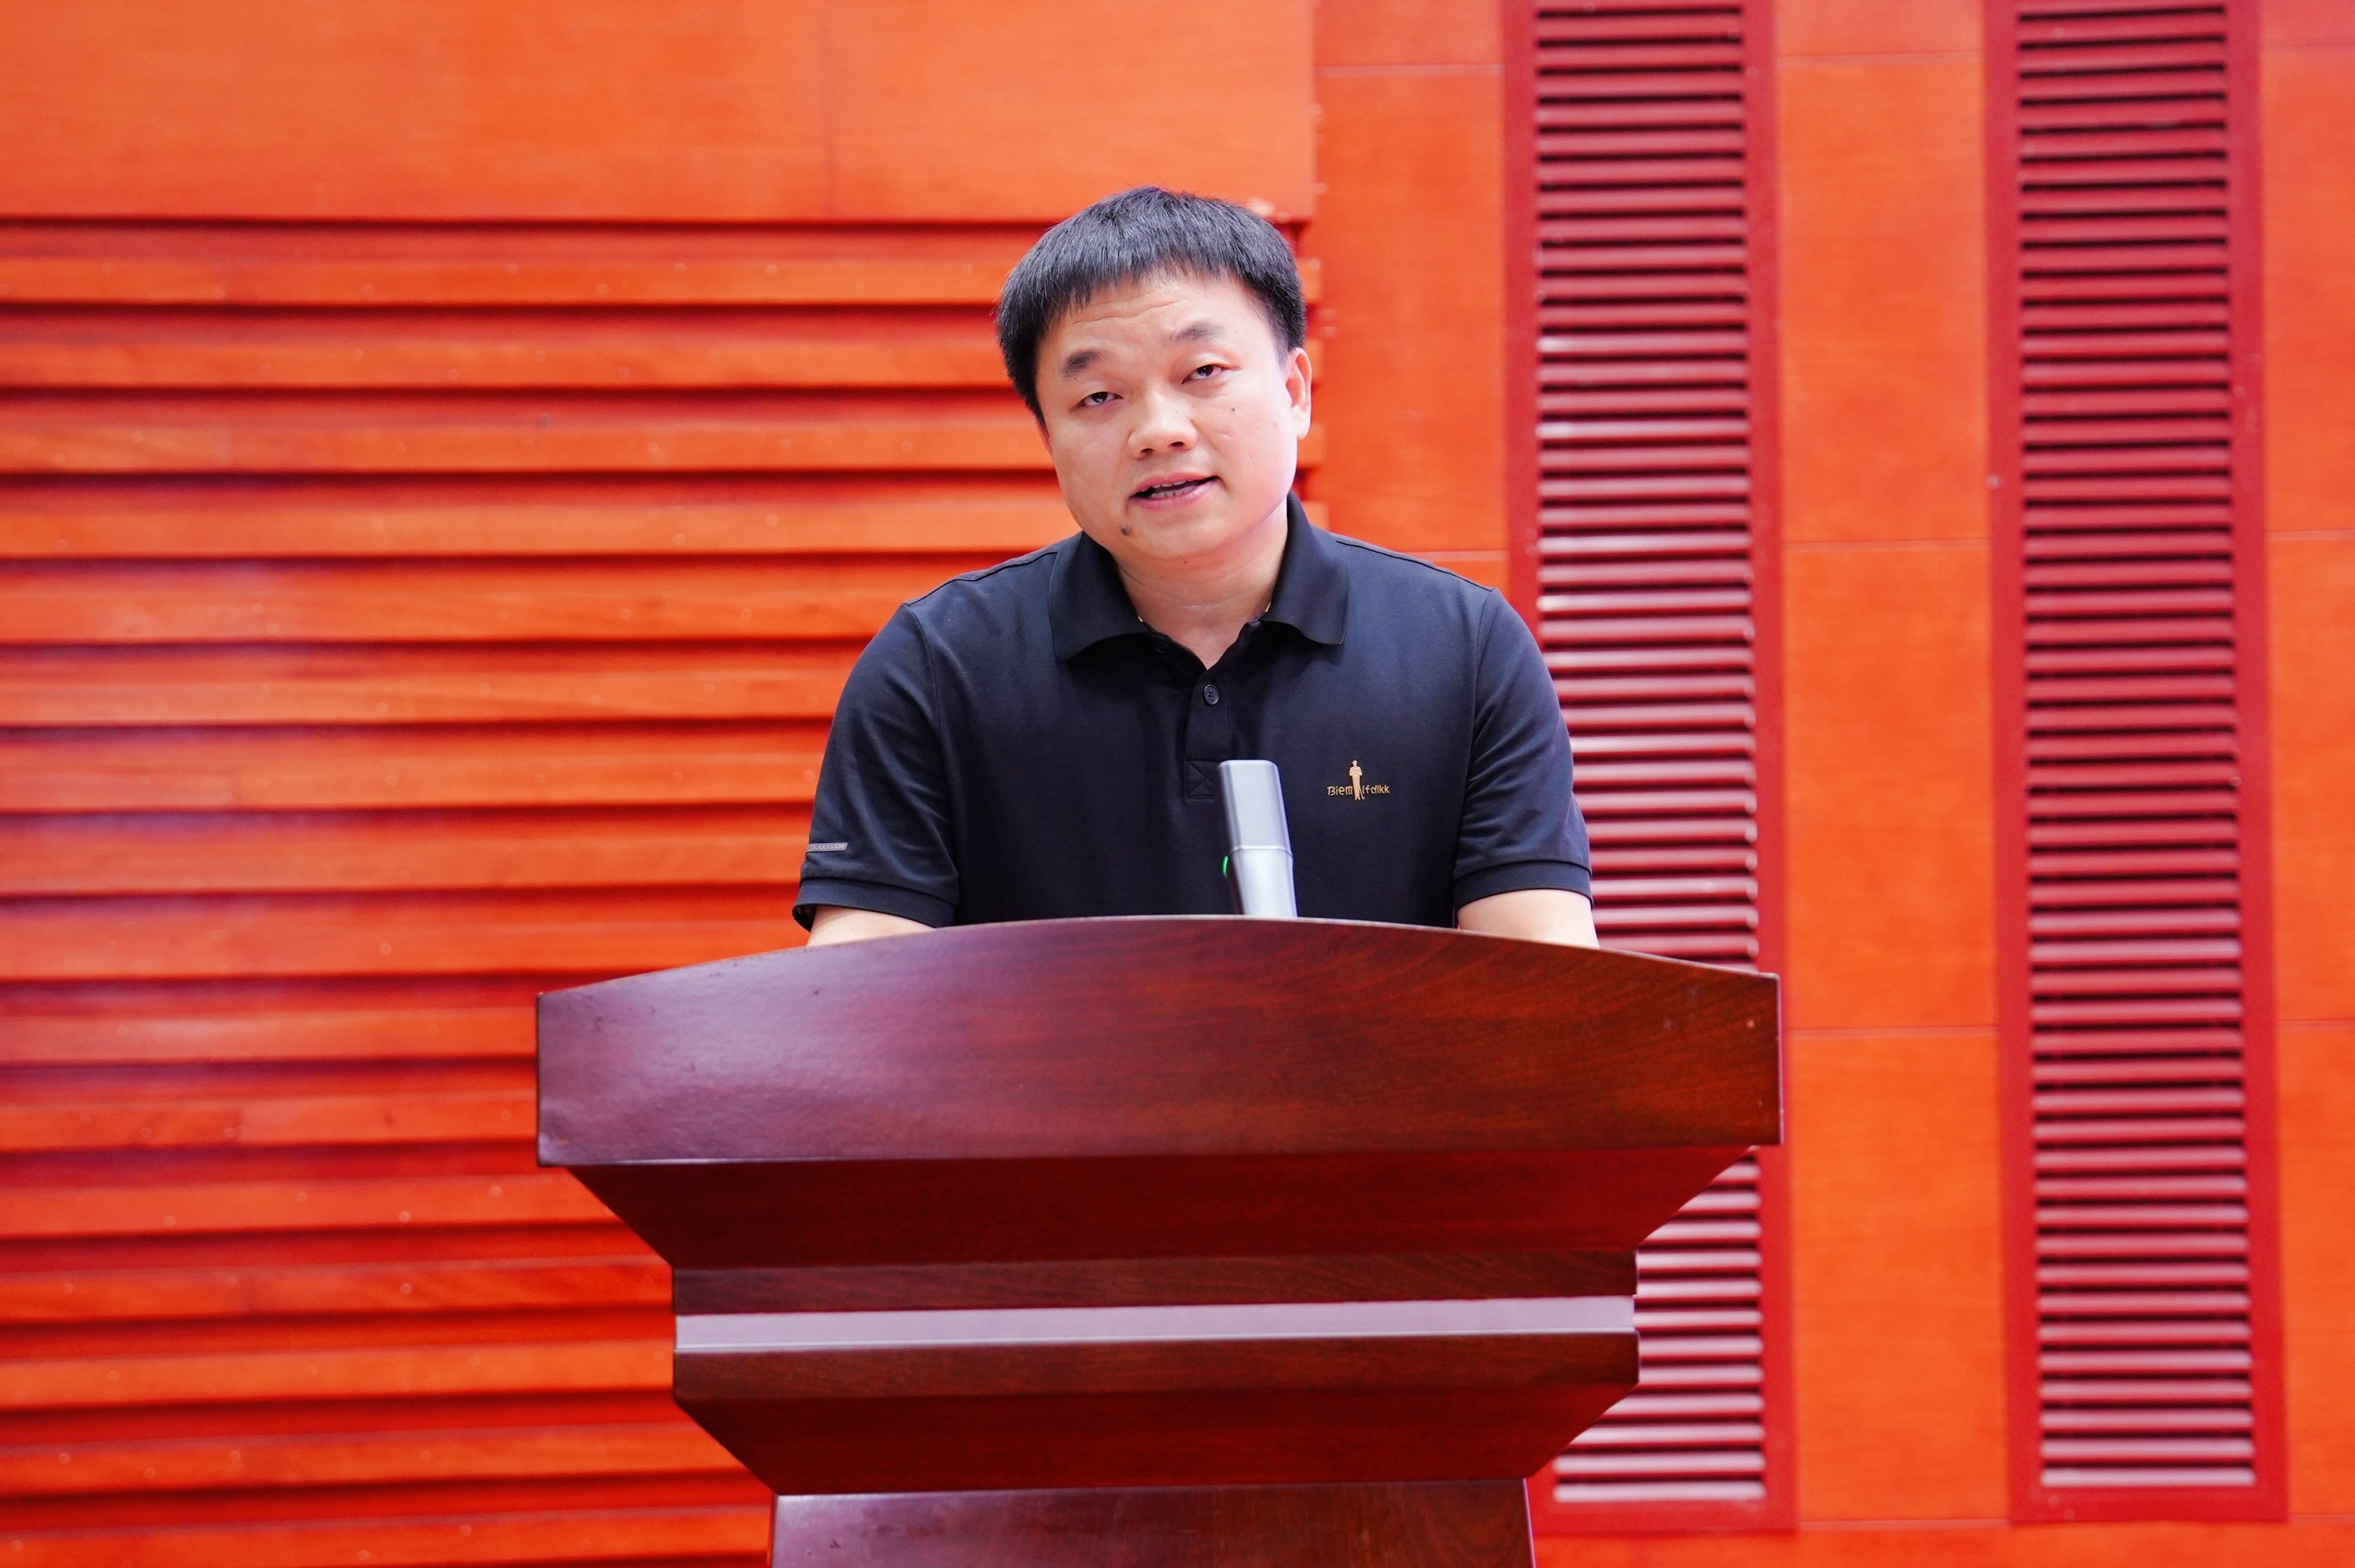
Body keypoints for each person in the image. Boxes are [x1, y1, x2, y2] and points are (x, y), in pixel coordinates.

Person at [796, 186, 1596, 948]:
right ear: (1048, 438)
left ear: (1295, 391)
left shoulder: (1462, 649)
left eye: (1203, 373)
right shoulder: (938, 666)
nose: (1159, 430)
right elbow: (861, 980)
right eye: (1099, 397)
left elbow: (1544, 972)